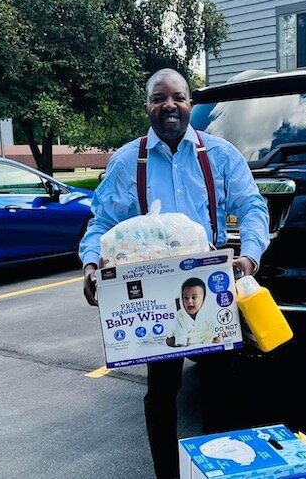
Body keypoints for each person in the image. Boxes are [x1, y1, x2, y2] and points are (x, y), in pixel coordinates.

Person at [78, 68, 270, 479]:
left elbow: (253, 207)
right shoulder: (129, 160)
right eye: (159, 98)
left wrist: (249, 257)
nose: (169, 106)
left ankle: (215, 470)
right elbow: (101, 222)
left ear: (190, 104)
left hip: (214, 287)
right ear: (147, 105)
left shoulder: (218, 155)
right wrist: (91, 263)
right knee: (162, 393)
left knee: (220, 389)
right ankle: (167, 473)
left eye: (178, 98)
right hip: (154, 293)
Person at [166, 277, 221, 347]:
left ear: (203, 299)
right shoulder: (181, 314)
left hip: (205, 336)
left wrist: (216, 336)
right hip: (188, 338)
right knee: (170, 340)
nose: (189, 301)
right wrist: (181, 342)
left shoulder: (209, 312)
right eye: (185, 298)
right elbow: (180, 331)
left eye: (194, 297)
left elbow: (214, 326)